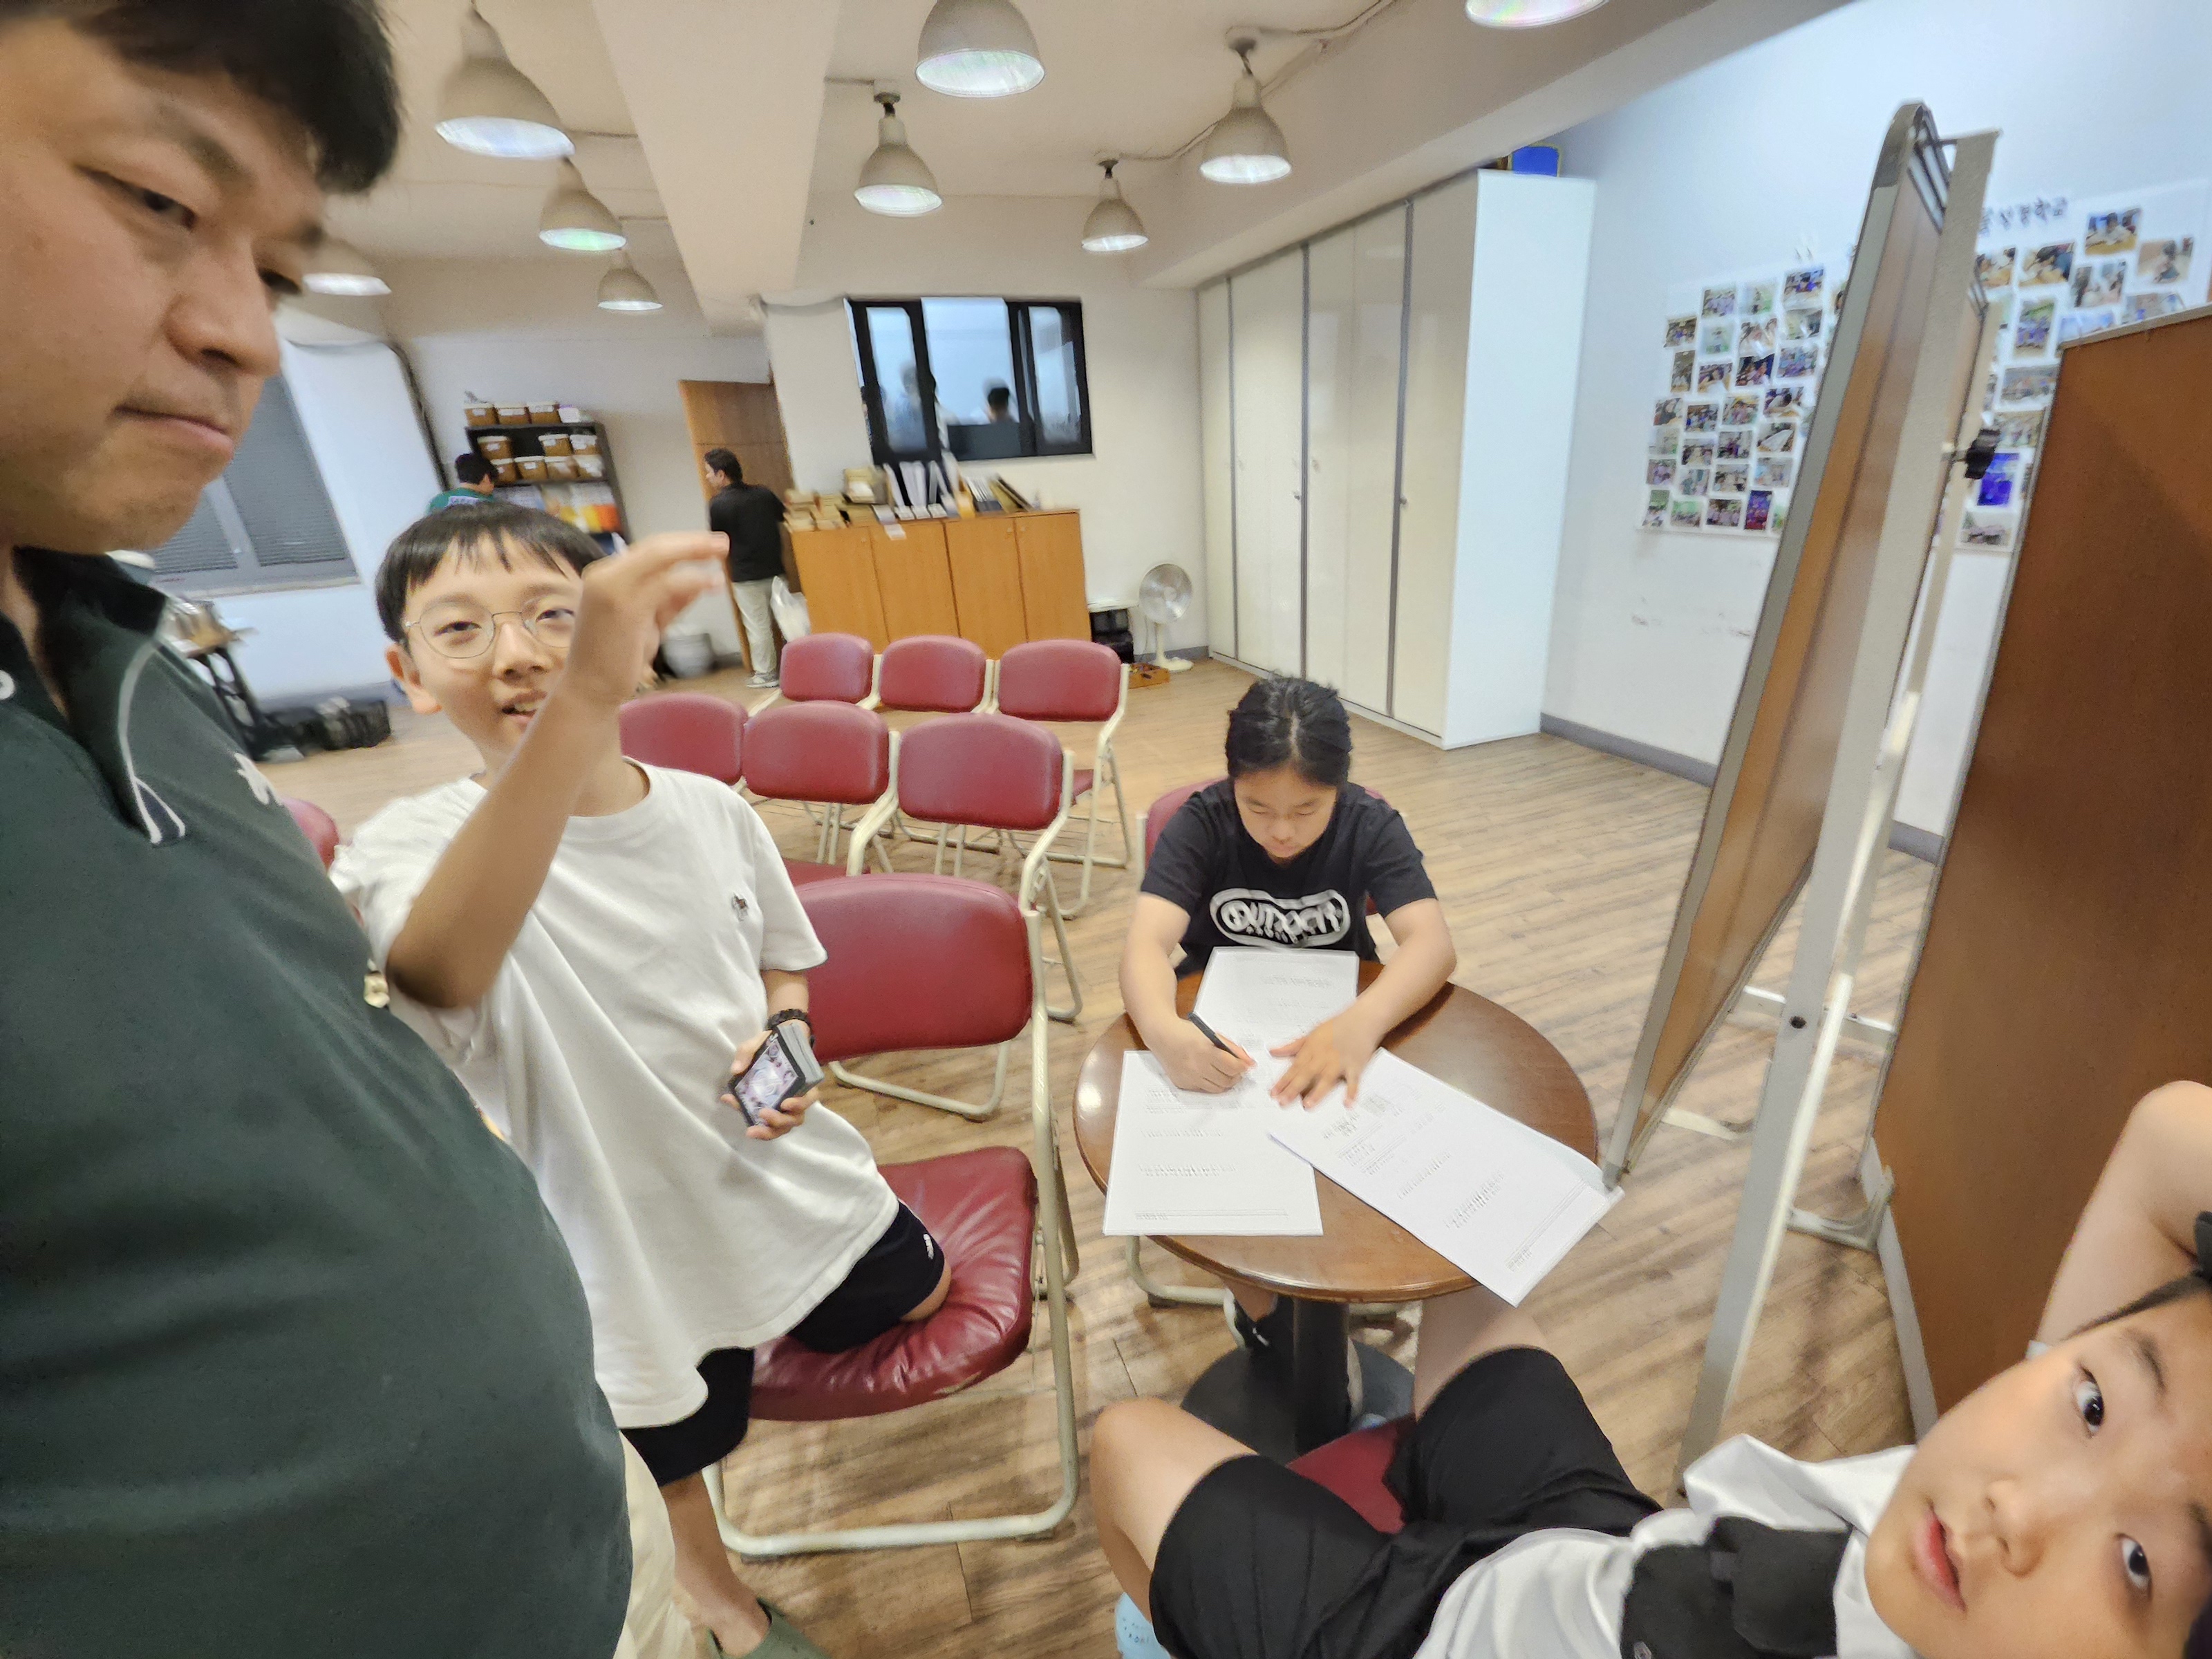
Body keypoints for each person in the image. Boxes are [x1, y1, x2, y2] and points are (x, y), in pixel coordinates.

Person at [0, 3, 671, 1653]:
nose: (246, 334)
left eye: (283, 272)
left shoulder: (125, 659)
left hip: (575, 1540)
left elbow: (373, 1021)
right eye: (157, 199)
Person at [337, 500, 956, 1659]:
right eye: (461, 629)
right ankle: (718, 1591)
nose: (516, 654)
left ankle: (767, 1322)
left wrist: (787, 1040)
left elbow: (784, 961)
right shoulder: (412, 849)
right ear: (409, 675)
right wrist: (580, 698)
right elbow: (439, 968)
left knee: (925, 1292)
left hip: (779, 1178)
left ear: (633, 642)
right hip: (618, 1235)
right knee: (666, 1446)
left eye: (554, 617)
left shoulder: (712, 812)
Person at [1091, 1078, 2212, 1659]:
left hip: (1420, 1637)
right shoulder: (1974, 1543)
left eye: (2137, 1565)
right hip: (1615, 1553)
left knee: (1127, 1442)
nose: (2020, 1508)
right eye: (2093, 1403)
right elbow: (2169, 1138)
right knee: (1474, 1270)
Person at [1122, 676, 1457, 1368]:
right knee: (1213, 1167)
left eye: (1307, 809)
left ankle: (1329, 1292)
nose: (1281, 830)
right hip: (1227, 1027)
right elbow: (1145, 944)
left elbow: (1432, 944)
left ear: (1339, 788)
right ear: (1232, 783)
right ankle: (1267, 1313)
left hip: (1336, 1021)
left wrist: (1363, 1023)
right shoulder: (1203, 822)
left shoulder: (1369, 823)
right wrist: (1164, 1031)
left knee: (1369, 1157)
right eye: (1258, 806)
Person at [705, 446, 784, 688]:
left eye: (709, 472)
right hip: (776, 569)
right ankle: (801, 667)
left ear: (721, 474)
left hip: (746, 575)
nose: (707, 477)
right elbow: (783, 516)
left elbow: (719, 540)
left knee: (759, 627)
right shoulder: (764, 494)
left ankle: (767, 674)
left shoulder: (719, 504)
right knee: (787, 621)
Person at [429, 448, 497, 510]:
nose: (492, 489)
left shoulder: (437, 501)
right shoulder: (490, 504)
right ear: (486, 479)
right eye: (493, 482)